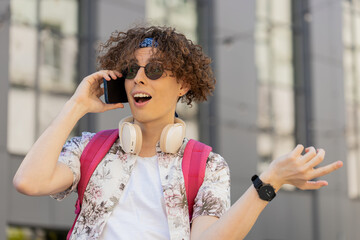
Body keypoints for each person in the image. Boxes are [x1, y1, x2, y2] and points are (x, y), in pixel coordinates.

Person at [13, 26, 343, 240]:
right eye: (131, 70)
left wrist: (269, 181)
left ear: (183, 83)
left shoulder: (207, 165)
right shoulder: (89, 149)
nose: (139, 79)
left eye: (154, 70)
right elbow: (29, 181)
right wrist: (76, 105)